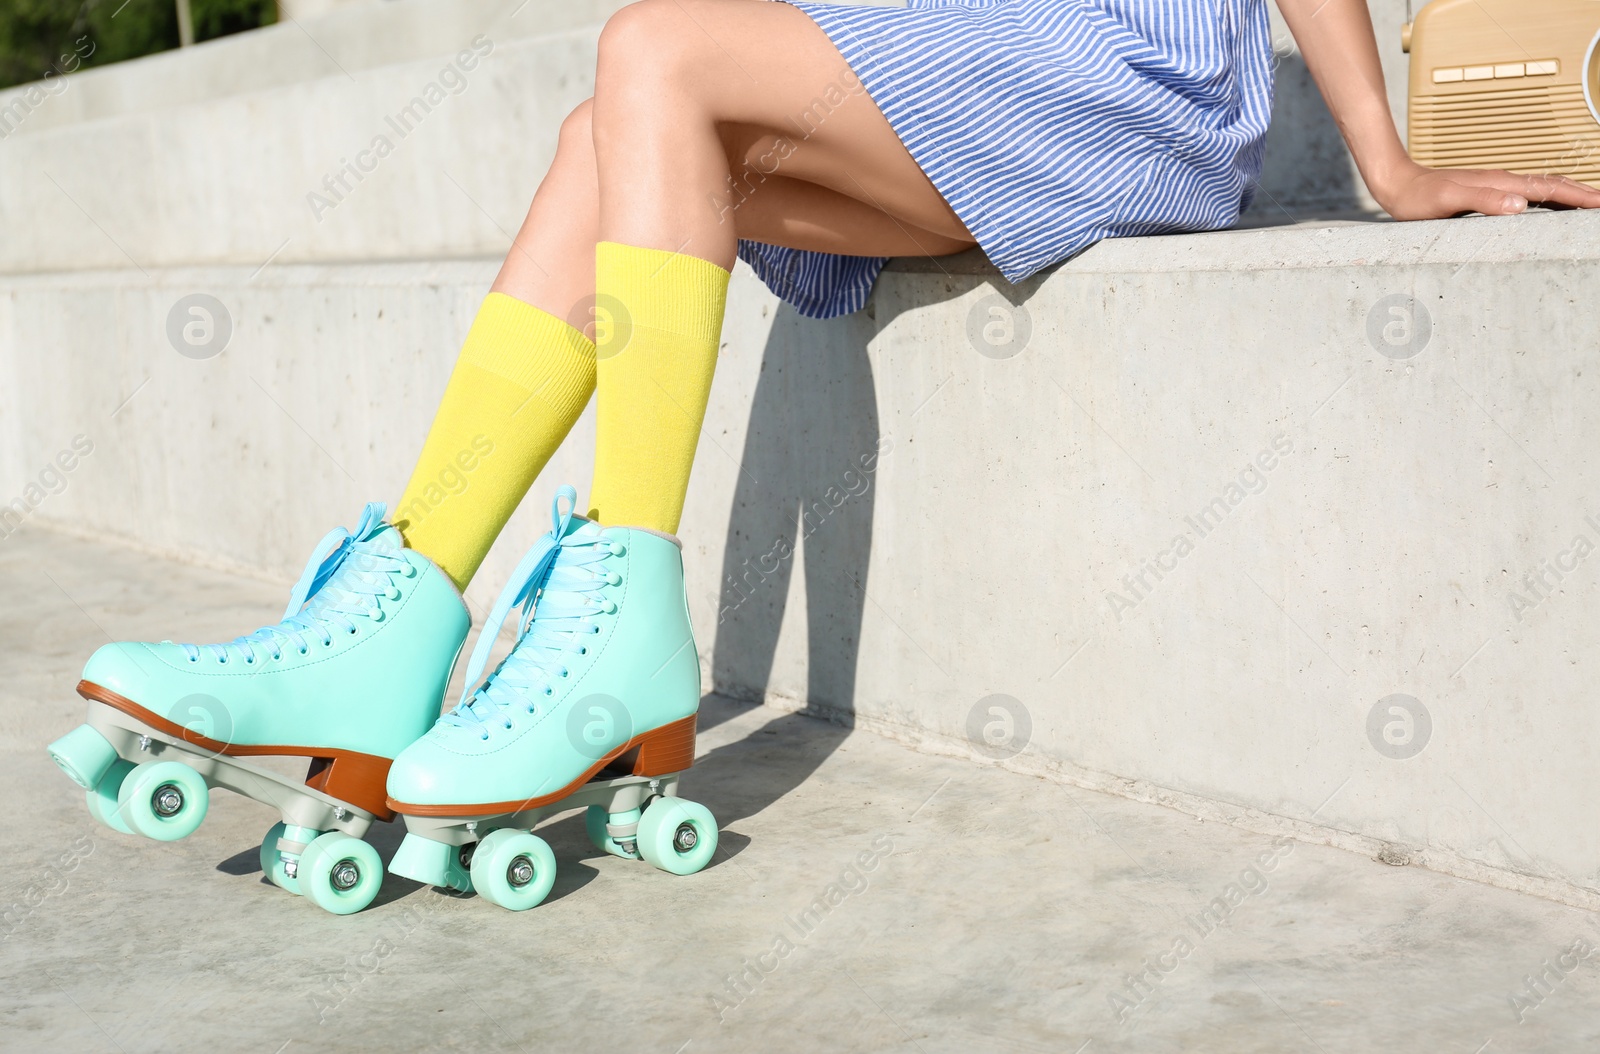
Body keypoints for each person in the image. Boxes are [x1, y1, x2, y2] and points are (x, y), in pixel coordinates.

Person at [64, 0, 1600, 856]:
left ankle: (620, 612)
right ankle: (396, 612)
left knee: (650, 54)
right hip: (977, 61)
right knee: (604, 132)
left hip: (1134, 81)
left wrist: (1385, 163)